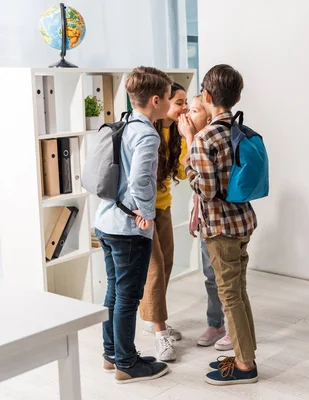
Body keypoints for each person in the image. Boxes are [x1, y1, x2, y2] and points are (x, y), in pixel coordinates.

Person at [178, 64, 259, 385]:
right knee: (239, 292)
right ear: (237, 96)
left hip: (220, 229)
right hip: (242, 222)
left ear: (208, 96)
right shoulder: (238, 129)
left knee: (229, 295)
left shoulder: (205, 137)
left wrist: (189, 163)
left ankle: (245, 366)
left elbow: (206, 190)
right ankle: (245, 354)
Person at [95, 66, 173, 383]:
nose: (170, 102)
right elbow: (141, 179)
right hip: (128, 229)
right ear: (155, 100)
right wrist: (147, 214)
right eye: (169, 97)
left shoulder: (125, 124)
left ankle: (112, 354)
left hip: (106, 221)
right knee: (128, 297)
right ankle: (128, 363)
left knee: (114, 291)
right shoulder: (147, 134)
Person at [139, 82, 189, 362]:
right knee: (155, 267)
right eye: (178, 102)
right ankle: (160, 335)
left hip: (163, 207)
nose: (183, 108)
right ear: (163, 101)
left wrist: (189, 135)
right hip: (143, 211)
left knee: (166, 263)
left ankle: (152, 318)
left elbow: (182, 169)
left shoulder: (175, 134)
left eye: (184, 103)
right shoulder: (149, 131)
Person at [185, 95, 233, 352]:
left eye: (194, 110)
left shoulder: (206, 139)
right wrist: (194, 216)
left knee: (222, 277)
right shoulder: (197, 139)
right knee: (210, 276)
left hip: (219, 220)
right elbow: (197, 194)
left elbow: (205, 186)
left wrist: (188, 139)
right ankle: (217, 324)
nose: (189, 115)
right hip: (205, 219)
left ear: (207, 113)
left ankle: (227, 324)